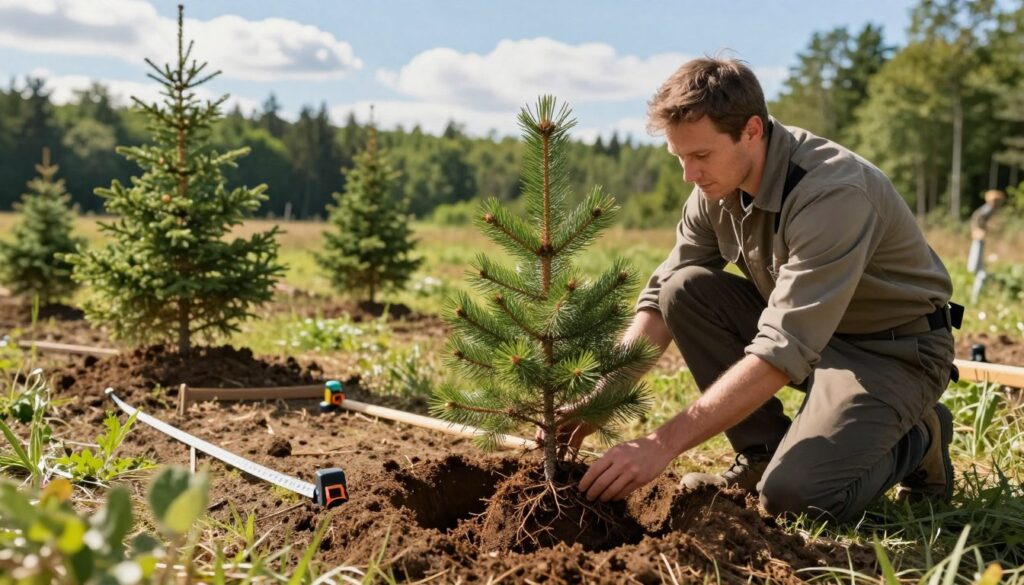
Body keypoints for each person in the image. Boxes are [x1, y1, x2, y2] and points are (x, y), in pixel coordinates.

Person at [571, 57, 961, 523]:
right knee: (683, 289)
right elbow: (659, 299)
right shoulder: (716, 187)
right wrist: (601, 397)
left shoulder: (832, 192)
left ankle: (920, 439)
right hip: (815, 338)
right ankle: (761, 453)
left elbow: (782, 349)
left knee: (795, 498)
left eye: (700, 156)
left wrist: (661, 445)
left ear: (752, 130)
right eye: (680, 158)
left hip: (892, 351)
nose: (688, 176)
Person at [968, 189, 1006, 304]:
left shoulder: (991, 209)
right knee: (978, 269)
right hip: (979, 239)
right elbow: (976, 217)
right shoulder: (988, 209)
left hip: (981, 239)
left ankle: (977, 295)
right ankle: (974, 298)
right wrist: (977, 230)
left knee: (980, 270)